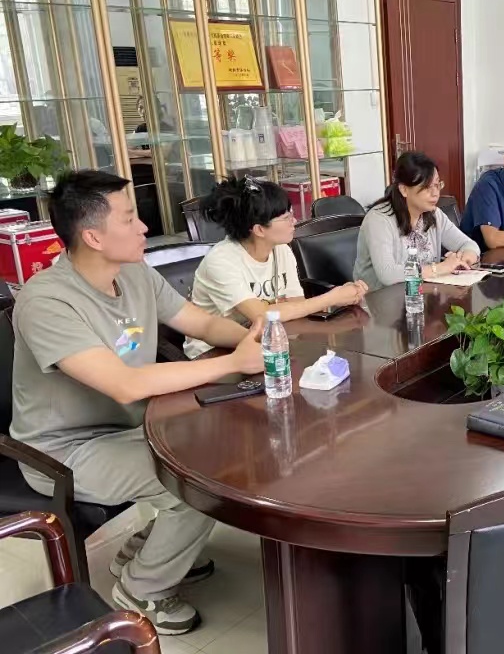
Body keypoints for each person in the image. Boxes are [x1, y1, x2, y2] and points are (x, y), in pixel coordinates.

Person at [9, 170, 266, 634]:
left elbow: (201, 324)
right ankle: (142, 587)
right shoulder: (46, 301)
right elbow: (125, 384)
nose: (145, 226)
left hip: (130, 426)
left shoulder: (134, 274)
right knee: (201, 480)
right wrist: (234, 363)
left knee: (227, 442)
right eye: (129, 218)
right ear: (93, 237)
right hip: (63, 451)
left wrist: (255, 341)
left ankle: (146, 548)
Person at [185, 177, 368, 358]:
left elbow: (297, 304)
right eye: (286, 217)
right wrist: (331, 298)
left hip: (266, 341)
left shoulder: (281, 249)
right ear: (259, 230)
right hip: (214, 352)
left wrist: (337, 296)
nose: (294, 221)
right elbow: (262, 316)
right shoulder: (221, 261)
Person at [354, 151, 481, 290]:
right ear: (404, 189)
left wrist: (465, 257)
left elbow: (469, 244)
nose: (435, 193)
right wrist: (439, 268)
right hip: (382, 299)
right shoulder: (379, 220)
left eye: (437, 185)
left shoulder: (434, 214)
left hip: (423, 294)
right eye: (427, 187)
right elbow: (387, 274)